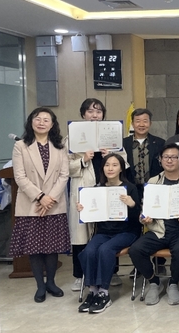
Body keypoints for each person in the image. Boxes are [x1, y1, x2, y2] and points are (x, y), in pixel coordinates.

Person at [128, 143, 179, 305]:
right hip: (159, 229)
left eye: (174, 157)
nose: (170, 160)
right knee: (135, 250)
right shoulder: (153, 182)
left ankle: (173, 283)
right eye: (166, 157)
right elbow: (145, 209)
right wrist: (145, 218)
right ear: (160, 160)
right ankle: (154, 282)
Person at [9, 107, 70, 303]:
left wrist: (50, 198)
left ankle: (51, 282)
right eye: (38, 118)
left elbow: (64, 175)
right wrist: (40, 197)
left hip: (54, 203)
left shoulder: (60, 146)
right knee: (34, 248)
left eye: (46, 119)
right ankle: (40, 286)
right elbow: (19, 176)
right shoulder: (21, 146)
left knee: (52, 247)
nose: (41, 122)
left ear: (52, 125)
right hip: (31, 204)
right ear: (31, 122)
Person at [67, 98, 123, 292]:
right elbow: (65, 167)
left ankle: (112, 272)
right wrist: (83, 159)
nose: (94, 115)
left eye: (98, 112)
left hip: (109, 188)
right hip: (84, 189)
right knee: (81, 235)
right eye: (90, 111)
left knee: (109, 230)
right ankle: (79, 275)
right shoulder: (72, 136)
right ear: (83, 114)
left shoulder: (111, 134)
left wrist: (111, 156)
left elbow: (124, 163)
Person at [76, 153, 141, 314]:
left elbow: (139, 218)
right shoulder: (97, 189)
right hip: (104, 232)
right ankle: (93, 291)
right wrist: (83, 210)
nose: (110, 168)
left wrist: (132, 205)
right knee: (89, 251)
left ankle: (104, 293)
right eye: (107, 165)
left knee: (105, 250)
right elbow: (91, 215)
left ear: (121, 169)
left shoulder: (130, 188)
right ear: (102, 168)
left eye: (114, 165)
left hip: (127, 232)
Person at [124, 108, 166, 200]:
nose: (141, 124)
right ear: (132, 124)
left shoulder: (160, 143)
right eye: (138, 121)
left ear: (150, 123)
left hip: (154, 188)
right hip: (130, 189)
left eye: (145, 121)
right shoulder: (124, 144)